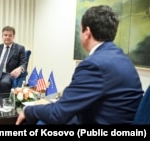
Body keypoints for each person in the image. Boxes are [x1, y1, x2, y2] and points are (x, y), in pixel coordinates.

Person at [16, 5, 144, 125]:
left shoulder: (93, 65)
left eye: (80, 30)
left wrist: (28, 110)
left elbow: (58, 114)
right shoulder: (122, 58)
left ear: (87, 32)